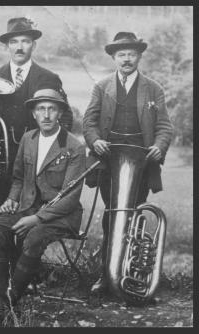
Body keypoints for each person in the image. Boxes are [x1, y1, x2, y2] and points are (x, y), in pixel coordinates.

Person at [0, 89, 86, 326]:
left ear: (60, 112)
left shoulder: (74, 147)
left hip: (61, 215)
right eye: (41, 109)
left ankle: (10, 300)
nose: (46, 114)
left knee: (34, 237)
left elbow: (70, 197)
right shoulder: (29, 138)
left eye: (51, 109)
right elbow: (18, 178)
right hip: (27, 208)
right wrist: (11, 199)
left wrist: (37, 219)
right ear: (34, 113)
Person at [83, 32, 173, 295]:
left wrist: (159, 146)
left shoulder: (153, 88)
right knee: (111, 217)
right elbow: (88, 122)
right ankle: (106, 275)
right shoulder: (101, 86)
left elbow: (164, 125)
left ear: (139, 56)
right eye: (121, 55)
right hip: (109, 162)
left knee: (133, 217)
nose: (126, 59)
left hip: (140, 164)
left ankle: (128, 274)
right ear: (113, 57)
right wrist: (95, 141)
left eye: (131, 54)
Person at [0, 17, 73, 219]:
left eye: (25, 41)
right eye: (14, 42)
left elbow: (66, 116)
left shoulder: (48, 77)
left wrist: (56, 152)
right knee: (1, 212)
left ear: (34, 44)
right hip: (1, 159)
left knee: (30, 215)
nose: (19, 47)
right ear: (6, 46)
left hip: (37, 158)